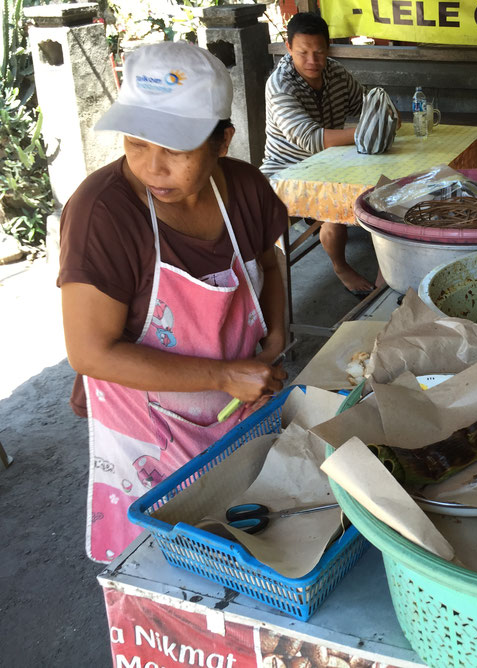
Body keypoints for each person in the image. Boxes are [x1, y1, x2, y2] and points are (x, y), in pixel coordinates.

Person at [58, 42, 289, 563]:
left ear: (222, 141)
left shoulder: (247, 189)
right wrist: (223, 376)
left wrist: (275, 331)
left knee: (254, 543)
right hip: (149, 436)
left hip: (241, 409)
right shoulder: (103, 214)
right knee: (167, 565)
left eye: (176, 150)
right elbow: (91, 354)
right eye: (136, 144)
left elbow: (269, 263)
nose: (152, 168)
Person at [261, 13, 377, 296]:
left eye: (319, 52)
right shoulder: (280, 85)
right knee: (336, 208)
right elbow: (311, 138)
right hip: (285, 173)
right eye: (303, 52)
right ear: (288, 48)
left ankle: (387, 271)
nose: (312, 60)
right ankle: (340, 266)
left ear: (329, 49)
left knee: (382, 188)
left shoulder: (335, 73)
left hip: (331, 164)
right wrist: (370, 131)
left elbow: (364, 103)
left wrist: (381, 111)